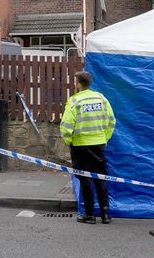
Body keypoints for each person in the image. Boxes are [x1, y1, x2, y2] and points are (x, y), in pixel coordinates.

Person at [60, 71, 116, 224]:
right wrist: (104, 138)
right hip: (98, 144)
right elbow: (112, 121)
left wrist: (68, 140)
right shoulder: (101, 99)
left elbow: (66, 126)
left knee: (85, 179)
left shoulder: (75, 101)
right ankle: (105, 215)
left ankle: (90, 215)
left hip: (80, 146)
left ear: (78, 84)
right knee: (101, 179)